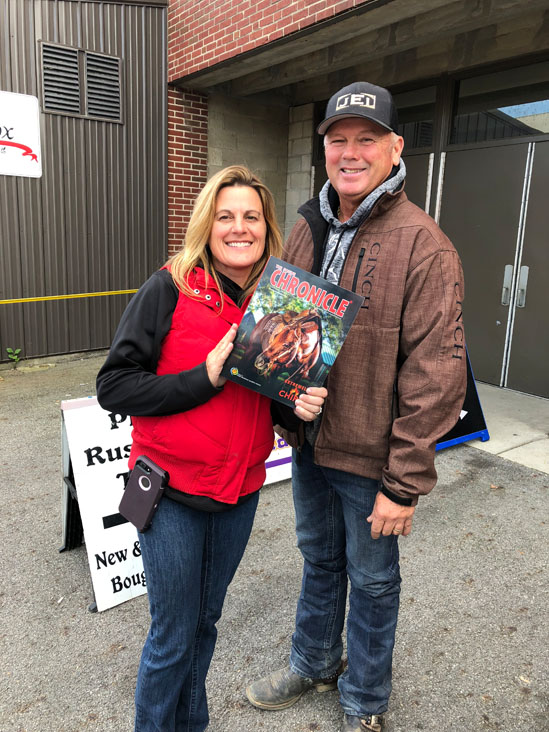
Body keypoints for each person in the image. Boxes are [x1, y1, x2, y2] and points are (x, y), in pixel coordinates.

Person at [245, 83, 467, 731]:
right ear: (323, 150)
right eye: (337, 139)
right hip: (311, 444)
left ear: (394, 148)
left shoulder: (424, 244)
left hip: (372, 459)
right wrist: (279, 408)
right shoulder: (305, 226)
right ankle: (314, 661)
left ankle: (365, 700)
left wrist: (403, 484)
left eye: (365, 139)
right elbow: (280, 333)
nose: (350, 152)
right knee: (319, 560)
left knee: (372, 583)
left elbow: (436, 374)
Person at [96, 165, 327, 732]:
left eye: (251, 217)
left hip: (238, 493)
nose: (239, 227)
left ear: (266, 228)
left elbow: (267, 401)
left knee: (205, 625)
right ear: (207, 223)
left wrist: (296, 405)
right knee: (173, 635)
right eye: (226, 216)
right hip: (171, 493)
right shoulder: (169, 287)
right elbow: (114, 386)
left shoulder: (279, 304)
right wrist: (203, 378)